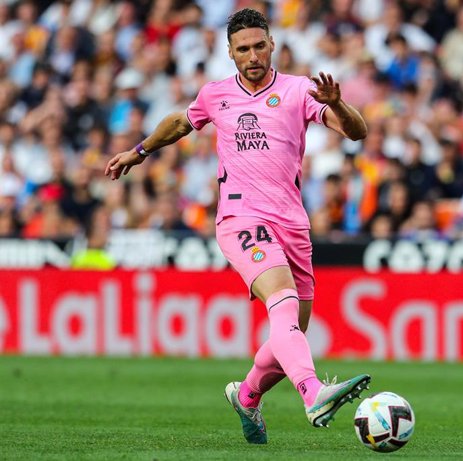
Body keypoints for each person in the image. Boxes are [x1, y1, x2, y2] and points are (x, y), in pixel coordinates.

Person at [104, 8, 370, 445]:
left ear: (272, 46)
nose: (252, 56)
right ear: (229, 53)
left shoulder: (300, 90)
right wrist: (140, 150)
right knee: (282, 301)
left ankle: (246, 396)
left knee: (292, 330)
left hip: (292, 224)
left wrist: (337, 101)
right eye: (242, 49)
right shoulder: (216, 95)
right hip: (240, 219)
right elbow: (179, 122)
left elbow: (357, 132)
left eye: (259, 46)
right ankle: (314, 394)